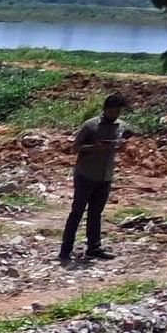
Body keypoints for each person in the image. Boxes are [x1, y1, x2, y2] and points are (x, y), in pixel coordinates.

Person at [61, 93, 127, 265]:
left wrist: (120, 146)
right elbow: (75, 148)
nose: (115, 114)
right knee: (77, 213)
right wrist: (95, 148)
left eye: (118, 111)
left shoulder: (121, 126)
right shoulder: (90, 126)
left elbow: (124, 140)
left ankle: (94, 248)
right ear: (105, 109)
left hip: (105, 176)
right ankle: (65, 250)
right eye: (112, 111)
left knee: (96, 213)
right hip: (86, 175)